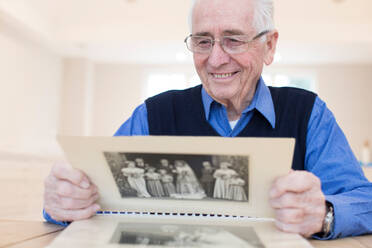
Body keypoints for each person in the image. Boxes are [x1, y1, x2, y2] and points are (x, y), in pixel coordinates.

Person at [43, 0, 372, 240]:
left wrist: (324, 215)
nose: (215, 58)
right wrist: (63, 202)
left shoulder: (308, 112)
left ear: (269, 45)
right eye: (203, 41)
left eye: (233, 39)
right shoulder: (153, 114)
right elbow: (90, 193)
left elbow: (364, 200)